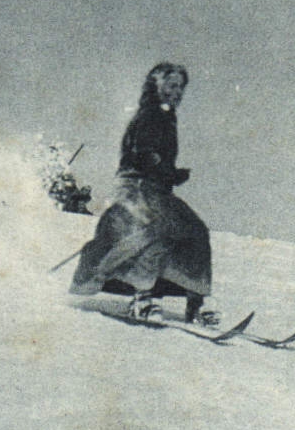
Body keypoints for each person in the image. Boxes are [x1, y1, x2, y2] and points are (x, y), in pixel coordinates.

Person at [69, 62, 215, 325]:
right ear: (156, 86)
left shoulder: (167, 116)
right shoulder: (149, 114)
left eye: (181, 87)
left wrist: (171, 173)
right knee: (151, 231)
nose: (177, 92)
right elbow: (141, 153)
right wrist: (158, 165)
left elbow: (157, 160)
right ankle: (142, 298)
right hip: (136, 187)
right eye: (172, 85)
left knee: (195, 231)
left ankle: (194, 305)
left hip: (157, 188)